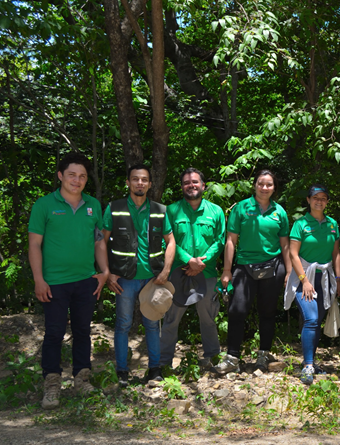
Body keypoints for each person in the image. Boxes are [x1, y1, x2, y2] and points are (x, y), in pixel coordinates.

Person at [29, 153, 110, 409]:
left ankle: (81, 379)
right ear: (60, 175)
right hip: (54, 282)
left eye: (82, 176)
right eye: (72, 175)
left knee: (83, 331)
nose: (77, 180)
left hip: (86, 280)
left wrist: (104, 271)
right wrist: (39, 279)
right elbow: (34, 245)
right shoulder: (44, 205)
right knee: (54, 332)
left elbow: (98, 241)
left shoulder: (93, 205)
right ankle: (52, 383)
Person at [103, 164, 176, 386]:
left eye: (144, 179)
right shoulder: (114, 208)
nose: (140, 183)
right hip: (124, 279)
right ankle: (122, 371)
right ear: (128, 182)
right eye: (135, 179)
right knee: (123, 325)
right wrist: (107, 273)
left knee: (152, 325)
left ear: (150, 184)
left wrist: (166, 270)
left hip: (153, 278)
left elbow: (171, 241)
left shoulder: (160, 210)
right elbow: (101, 242)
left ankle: (154, 370)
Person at [214, 170, 292, 374]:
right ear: (255, 185)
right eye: (261, 183)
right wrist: (227, 270)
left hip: (273, 266)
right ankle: (232, 358)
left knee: (268, 312)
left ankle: (263, 355)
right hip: (244, 266)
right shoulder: (241, 208)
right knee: (237, 310)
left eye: (269, 184)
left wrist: (289, 271)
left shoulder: (279, 212)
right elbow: (231, 241)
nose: (264, 188)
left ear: (274, 188)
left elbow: (285, 244)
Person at [160, 168, 226, 371]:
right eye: (187, 182)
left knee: (208, 319)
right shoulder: (171, 211)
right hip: (178, 274)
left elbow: (220, 240)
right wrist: (189, 260)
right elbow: (166, 242)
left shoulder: (216, 211)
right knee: (171, 319)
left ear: (203, 186)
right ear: (182, 187)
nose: (191, 185)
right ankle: (163, 364)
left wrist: (201, 263)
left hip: (207, 274)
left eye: (195, 182)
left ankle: (212, 359)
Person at [285, 185, 340, 385]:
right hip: (303, 278)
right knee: (311, 319)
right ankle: (308, 365)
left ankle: (310, 360)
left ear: (327, 202)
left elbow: (335, 253)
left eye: (323, 198)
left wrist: (338, 279)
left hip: (324, 278)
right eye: (315, 197)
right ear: (308, 200)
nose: (319, 201)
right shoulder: (300, 224)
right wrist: (305, 281)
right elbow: (293, 254)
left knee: (316, 322)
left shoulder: (332, 224)